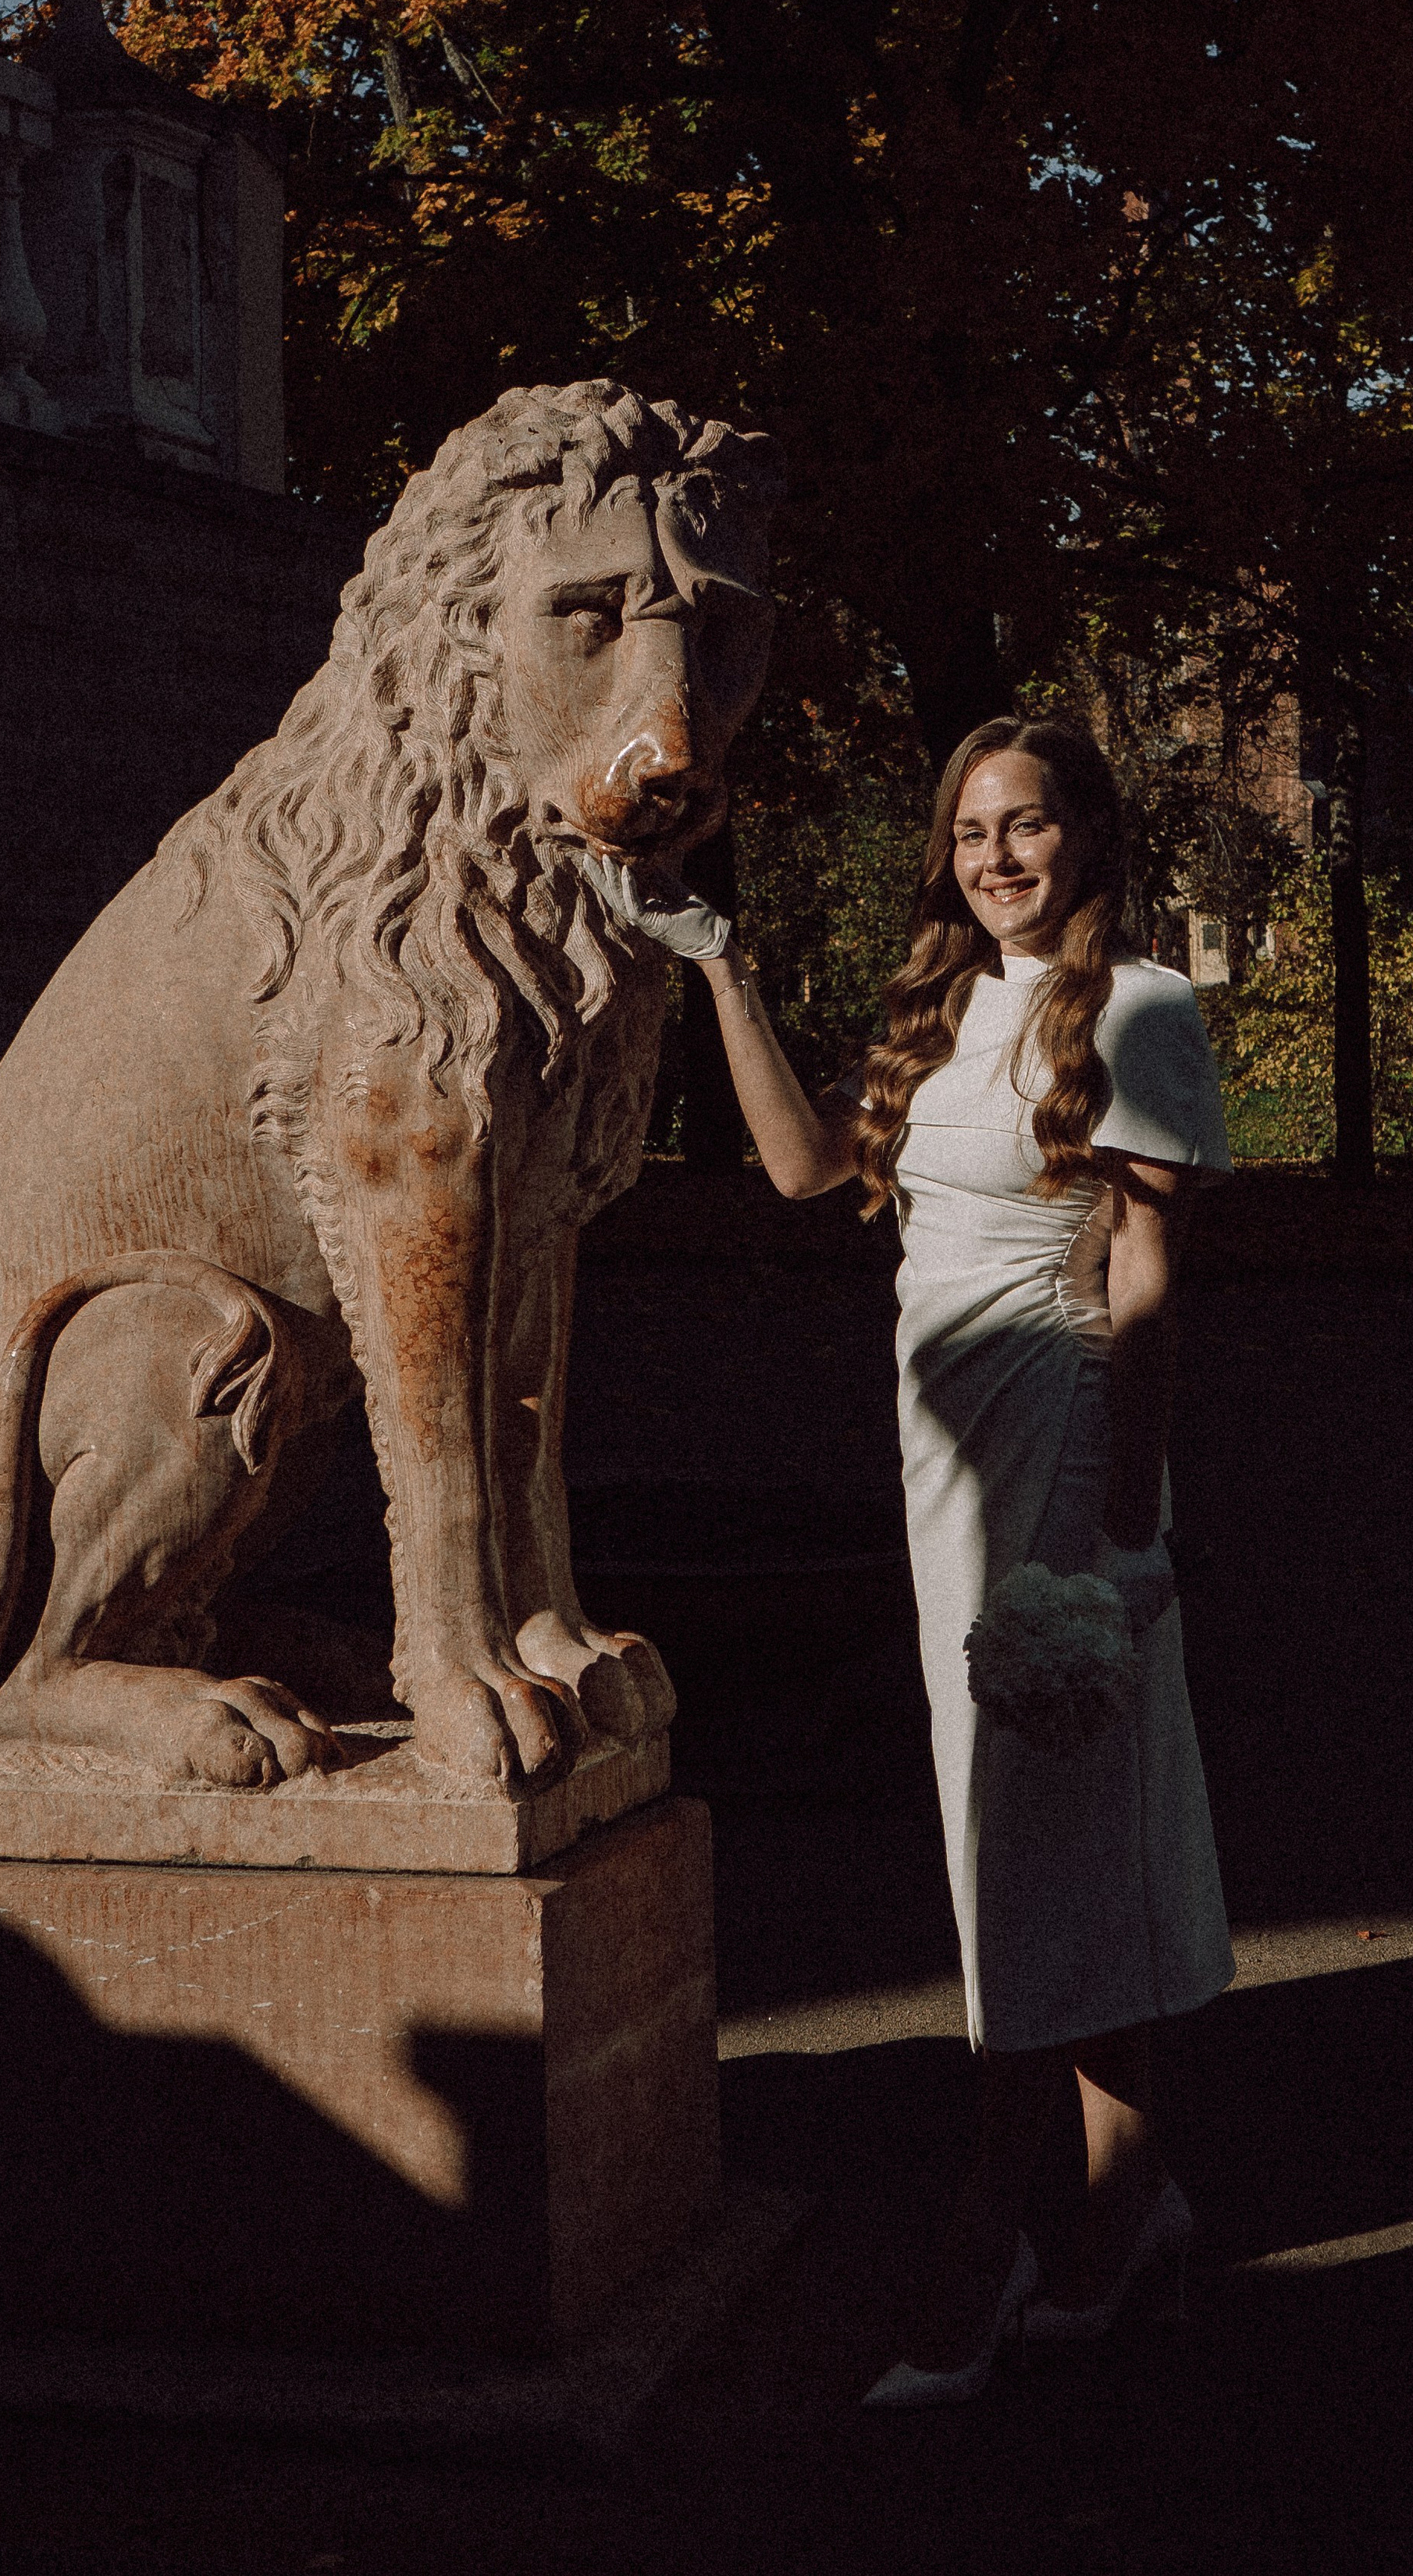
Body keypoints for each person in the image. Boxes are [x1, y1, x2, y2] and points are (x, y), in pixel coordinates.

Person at [582, 716, 1233, 2405]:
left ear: (1085, 835)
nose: (995, 857)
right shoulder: (943, 1008)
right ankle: (1124, 2208)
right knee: (1035, 1837)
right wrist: (716, 968)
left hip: (1063, 1457)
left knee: (1039, 1840)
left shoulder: (1141, 1006)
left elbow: (1147, 1280)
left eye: (1024, 826)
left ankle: (987, 2238)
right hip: (939, 1467)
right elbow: (807, 1170)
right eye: (967, 834)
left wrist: (1126, 1527)